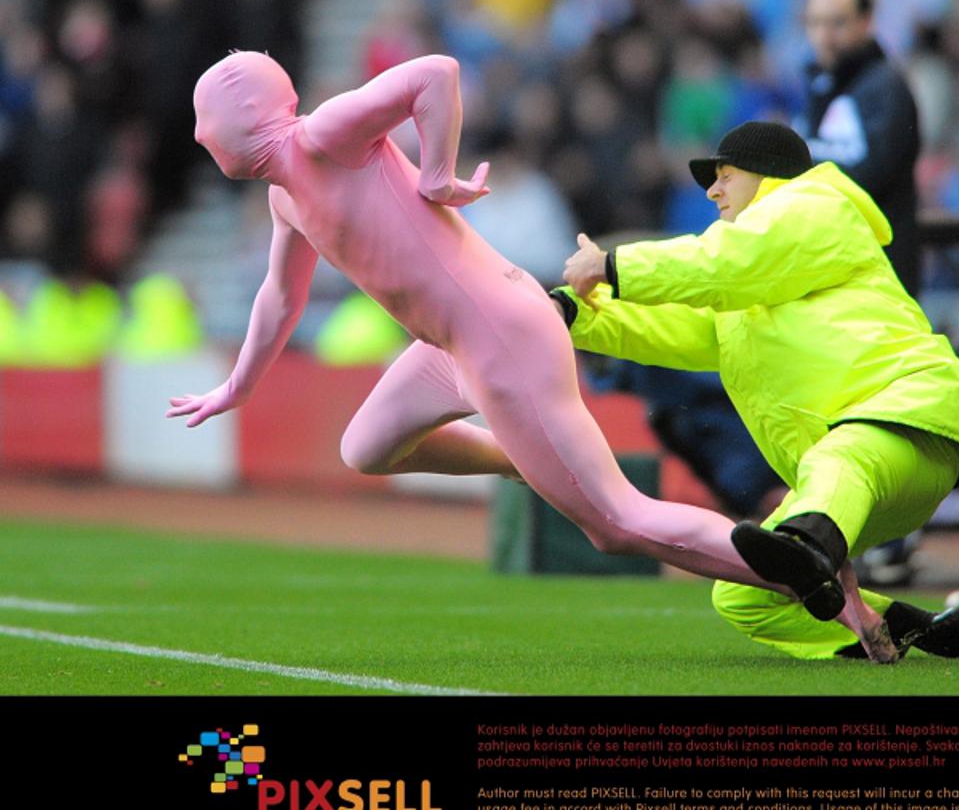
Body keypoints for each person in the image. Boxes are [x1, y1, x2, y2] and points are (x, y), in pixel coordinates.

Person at [167, 51, 821, 641]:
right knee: (365, 445)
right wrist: (238, 386)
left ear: (249, 113)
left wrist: (435, 174)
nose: (198, 134)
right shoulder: (286, 198)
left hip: (497, 333)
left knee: (616, 522)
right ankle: (520, 457)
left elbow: (436, 74)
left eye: (205, 117)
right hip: (450, 344)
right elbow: (280, 297)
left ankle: (809, 573)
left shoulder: (323, 135)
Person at [560, 121, 959, 661]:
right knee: (741, 593)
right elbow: (677, 327)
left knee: (840, 459)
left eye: (725, 176)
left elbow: (723, 264)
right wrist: (572, 316)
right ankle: (920, 629)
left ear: (766, 176)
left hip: (908, 413)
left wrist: (613, 264)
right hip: (851, 478)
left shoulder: (812, 205)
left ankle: (811, 547)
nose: (712, 191)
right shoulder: (753, 279)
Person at [793, 0, 920, 296]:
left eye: (837, 23)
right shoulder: (820, 86)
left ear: (865, 22)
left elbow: (869, 172)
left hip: (880, 274)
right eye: (815, 23)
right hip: (835, 270)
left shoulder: (884, 88)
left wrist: (796, 166)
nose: (825, 36)